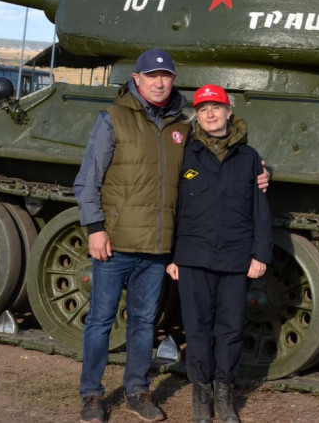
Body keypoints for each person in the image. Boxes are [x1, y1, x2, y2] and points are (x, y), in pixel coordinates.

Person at [73, 50, 268, 423]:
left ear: (174, 80)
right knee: (100, 320)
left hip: (158, 245)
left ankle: (137, 391)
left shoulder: (183, 125)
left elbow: (219, 156)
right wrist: (95, 228)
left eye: (165, 75)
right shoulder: (113, 118)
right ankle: (92, 395)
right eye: (152, 75)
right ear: (137, 78)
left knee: (144, 321)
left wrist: (259, 171)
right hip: (116, 241)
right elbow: (88, 179)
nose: (159, 82)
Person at [166, 84, 271, 423]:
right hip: (193, 255)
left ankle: (224, 394)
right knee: (196, 328)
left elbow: (259, 210)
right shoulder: (186, 154)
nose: (209, 114)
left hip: (235, 256)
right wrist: (172, 256)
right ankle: (201, 395)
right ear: (196, 116)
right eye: (202, 109)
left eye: (216, 107)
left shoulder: (249, 157)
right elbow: (173, 207)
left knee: (230, 329)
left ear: (229, 112)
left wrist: (260, 254)